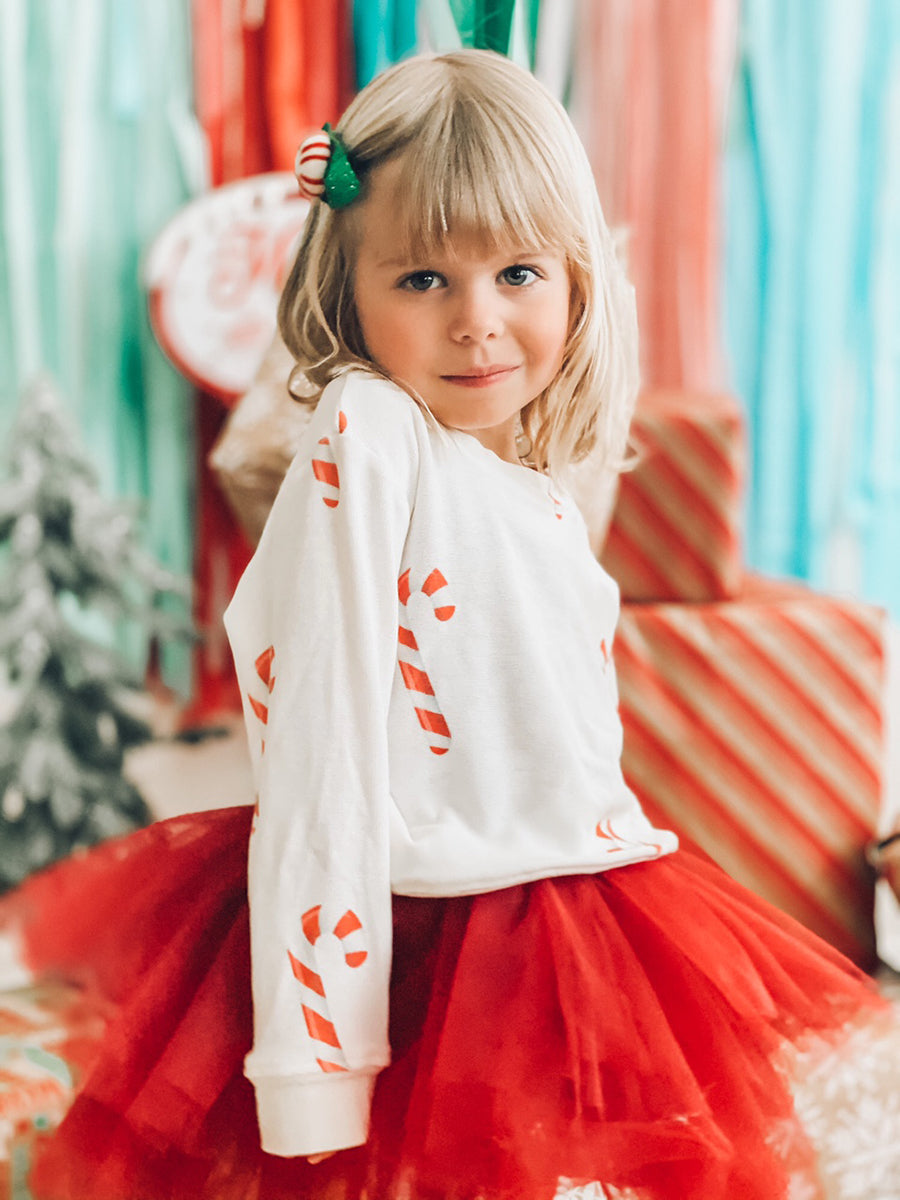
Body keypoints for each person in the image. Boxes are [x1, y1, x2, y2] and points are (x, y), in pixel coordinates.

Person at [1, 49, 890, 1200]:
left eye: (518, 272)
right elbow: (321, 737)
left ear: (577, 279)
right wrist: (315, 1059)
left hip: (568, 909)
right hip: (412, 921)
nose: (478, 322)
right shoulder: (369, 434)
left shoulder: (535, 489)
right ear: (348, 290)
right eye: (423, 278)